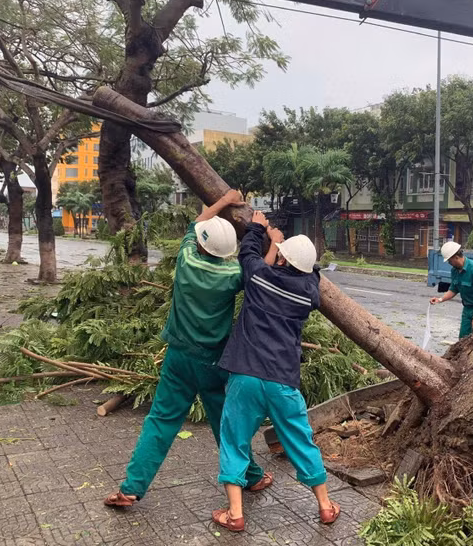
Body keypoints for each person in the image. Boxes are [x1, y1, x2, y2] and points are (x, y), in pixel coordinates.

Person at [104, 190, 271, 508]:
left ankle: (130, 488)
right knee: (226, 423)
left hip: (178, 357)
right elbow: (259, 271)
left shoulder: (186, 259)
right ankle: (250, 477)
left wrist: (223, 202)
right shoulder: (233, 275)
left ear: (200, 244)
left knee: (161, 420)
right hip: (214, 362)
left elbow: (198, 222)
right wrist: (261, 232)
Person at [211, 212, 340, 532]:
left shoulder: (258, 278)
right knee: (301, 441)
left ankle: (235, 514)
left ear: (281, 260)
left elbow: (247, 254)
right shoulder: (307, 294)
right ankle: (325, 506)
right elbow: (312, 275)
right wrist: (286, 250)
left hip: (246, 376)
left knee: (234, 440)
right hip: (283, 381)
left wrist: (258, 228)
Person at [430, 241, 473, 338]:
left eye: (449, 260)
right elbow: (453, 289)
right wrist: (440, 299)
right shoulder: (455, 271)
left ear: (456, 257)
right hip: (468, 307)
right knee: (463, 338)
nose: (449, 263)